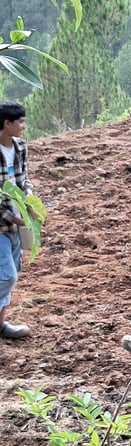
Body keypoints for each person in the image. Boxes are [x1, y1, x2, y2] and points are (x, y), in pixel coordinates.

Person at [0, 102, 33, 340]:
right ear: (6, 124)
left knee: (12, 273)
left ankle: (1, 325)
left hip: (18, 223)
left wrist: (30, 199)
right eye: (20, 122)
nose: (24, 126)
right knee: (7, 276)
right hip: (3, 223)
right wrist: (13, 218)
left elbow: (25, 180)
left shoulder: (20, 147)